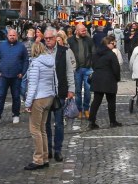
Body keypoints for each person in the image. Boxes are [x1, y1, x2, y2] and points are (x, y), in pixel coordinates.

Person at [23, 40, 55, 170]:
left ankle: (38, 159)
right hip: (49, 96)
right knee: (42, 129)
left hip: (39, 98)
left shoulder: (36, 64)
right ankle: (45, 157)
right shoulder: (50, 61)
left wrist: (28, 102)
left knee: (35, 129)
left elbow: (33, 85)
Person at [44, 27, 75, 162]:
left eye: (50, 38)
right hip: (44, 92)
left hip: (60, 92)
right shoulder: (41, 51)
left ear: (56, 38)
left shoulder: (64, 51)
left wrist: (71, 89)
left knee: (59, 123)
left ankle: (58, 149)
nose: (48, 41)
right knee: (45, 124)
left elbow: (69, 71)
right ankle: (48, 149)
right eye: (46, 39)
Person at [0, 28, 29, 124]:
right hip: (2, 76)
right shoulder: (1, 46)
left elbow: (26, 60)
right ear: (7, 36)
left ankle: (16, 115)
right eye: (10, 35)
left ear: (17, 36)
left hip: (16, 76)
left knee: (16, 96)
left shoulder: (21, 47)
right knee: (0, 96)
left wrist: (23, 72)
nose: (12, 37)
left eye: (14, 35)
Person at [89, 35, 122, 129]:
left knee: (96, 101)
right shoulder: (111, 54)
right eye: (113, 43)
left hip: (98, 78)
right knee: (111, 102)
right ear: (108, 44)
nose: (114, 44)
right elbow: (116, 68)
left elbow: (93, 65)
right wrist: (117, 78)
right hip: (109, 79)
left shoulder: (96, 53)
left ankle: (91, 121)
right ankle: (112, 121)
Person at [67, 23, 95, 119]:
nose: (85, 31)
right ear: (77, 31)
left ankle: (86, 108)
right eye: (82, 30)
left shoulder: (89, 40)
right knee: (77, 91)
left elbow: (93, 52)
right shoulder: (70, 40)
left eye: (85, 30)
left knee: (88, 90)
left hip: (88, 68)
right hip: (77, 69)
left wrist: (93, 65)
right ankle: (79, 109)